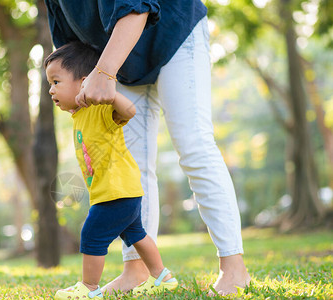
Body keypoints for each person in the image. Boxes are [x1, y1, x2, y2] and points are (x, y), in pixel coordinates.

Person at [44, 0, 251, 296]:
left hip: (172, 33)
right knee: (132, 165)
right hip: (117, 61)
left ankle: (234, 268)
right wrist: (83, 83)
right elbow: (70, 49)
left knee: (194, 145)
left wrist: (104, 73)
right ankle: (137, 271)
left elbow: (136, 7)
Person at [45, 41, 179, 299]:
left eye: (56, 82)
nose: (51, 90)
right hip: (120, 190)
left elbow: (129, 111)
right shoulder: (79, 115)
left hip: (116, 191)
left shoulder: (100, 108)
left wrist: (110, 92)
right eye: (50, 83)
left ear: (84, 82)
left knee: (91, 234)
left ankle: (89, 288)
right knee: (137, 235)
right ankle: (163, 277)